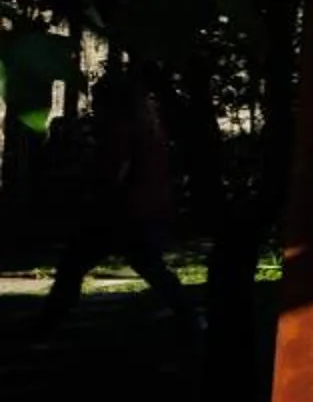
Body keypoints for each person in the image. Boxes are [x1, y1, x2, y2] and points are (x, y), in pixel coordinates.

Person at [35, 61, 203, 338]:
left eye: (98, 99)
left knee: (74, 264)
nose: (94, 106)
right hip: (144, 210)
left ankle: (48, 322)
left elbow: (115, 171)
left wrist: (86, 184)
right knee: (150, 268)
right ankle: (190, 319)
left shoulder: (121, 130)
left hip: (121, 213)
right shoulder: (149, 127)